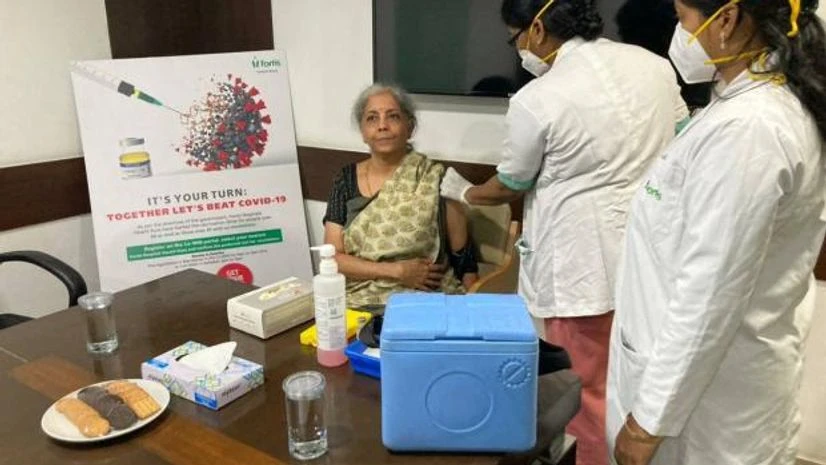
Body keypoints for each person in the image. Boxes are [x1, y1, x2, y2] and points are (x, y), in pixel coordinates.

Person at [439, 1, 688, 463]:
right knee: (639, 382)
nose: (519, 51)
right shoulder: (653, 65)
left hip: (584, 269)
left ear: (537, 28)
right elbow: (684, 134)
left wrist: (465, 192)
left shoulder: (538, 98)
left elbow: (511, 183)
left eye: (515, 38)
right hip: (652, 257)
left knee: (583, 392)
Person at [605, 0, 826, 464]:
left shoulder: (750, 129)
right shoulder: (739, 106)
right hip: (708, 389)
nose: (678, 33)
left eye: (682, 17)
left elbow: (709, 293)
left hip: (708, 413)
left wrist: (648, 422)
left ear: (725, 18)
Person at [323, 84, 478, 308]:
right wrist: (396, 271)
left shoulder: (436, 178)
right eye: (372, 118)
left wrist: (473, 308)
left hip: (423, 300)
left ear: (410, 127)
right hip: (358, 301)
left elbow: (464, 260)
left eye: (393, 116)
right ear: (363, 131)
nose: (382, 126)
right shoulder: (345, 180)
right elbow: (333, 258)